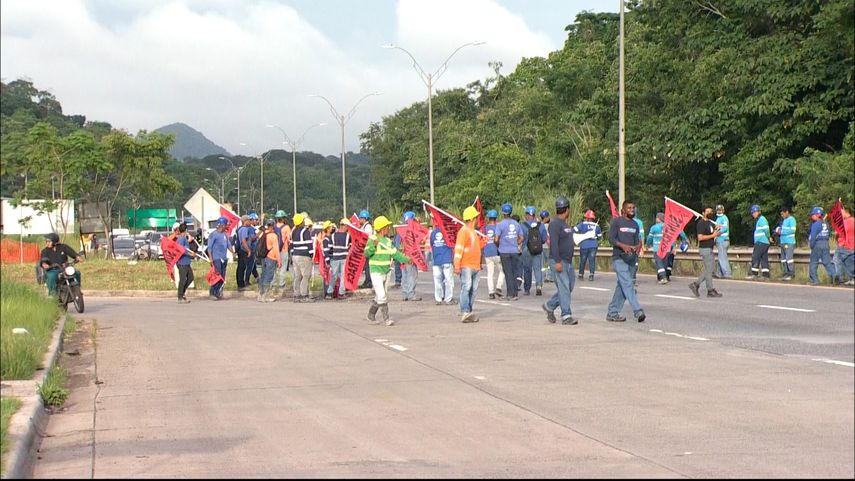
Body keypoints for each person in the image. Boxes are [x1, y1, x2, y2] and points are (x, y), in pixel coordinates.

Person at [364, 215, 411, 326]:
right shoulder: (372, 240)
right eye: (387, 226)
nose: (388, 228)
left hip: (386, 271)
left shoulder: (387, 241)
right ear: (381, 228)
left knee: (381, 295)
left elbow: (395, 253)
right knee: (382, 295)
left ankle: (371, 315)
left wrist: (407, 259)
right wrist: (373, 247)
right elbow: (366, 253)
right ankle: (386, 319)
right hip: (376, 271)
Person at [605, 200, 646, 323]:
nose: (632, 210)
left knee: (622, 286)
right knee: (628, 284)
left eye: (633, 207)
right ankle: (637, 311)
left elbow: (637, 240)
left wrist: (638, 246)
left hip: (631, 258)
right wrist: (622, 246)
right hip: (619, 257)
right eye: (629, 208)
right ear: (623, 210)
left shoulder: (635, 224)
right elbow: (611, 238)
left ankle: (612, 312)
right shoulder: (617, 222)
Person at [542, 195, 577, 325]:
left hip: (568, 261)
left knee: (568, 287)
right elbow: (554, 244)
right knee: (564, 288)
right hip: (559, 260)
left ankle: (550, 306)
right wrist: (557, 261)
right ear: (567, 209)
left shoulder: (564, 224)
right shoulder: (555, 224)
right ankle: (566, 315)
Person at [454, 206, 487, 323]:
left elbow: (475, 247)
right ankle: (465, 311)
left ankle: (469, 311)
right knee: (466, 287)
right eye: (476, 217)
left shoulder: (473, 232)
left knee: (473, 290)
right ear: (473, 218)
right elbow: (459, 249)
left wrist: (484, 242)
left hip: (475, 266)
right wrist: (457, 265)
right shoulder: (463, 232)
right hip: (466, 265)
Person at [688, 207, 723, 298]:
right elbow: (700, 237)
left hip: (710, 248)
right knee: (709, 269)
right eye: (707, 211)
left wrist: (717, 231)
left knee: (709, 269)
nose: (709, 213)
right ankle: (710, 290)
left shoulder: (710, 223)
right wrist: (713, 235)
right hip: (705, 248)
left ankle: (696, 284)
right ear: (703, 213)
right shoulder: (701, 223)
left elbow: (713, 234)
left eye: (711, 211)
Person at [495, 203, 523, 300]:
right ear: (511, 212)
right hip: (514, 250)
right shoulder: (516, 224)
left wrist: (499, 246)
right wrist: (516, 243)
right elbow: (521, 237)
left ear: (503, 213)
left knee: (508, 273)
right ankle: (515, 294)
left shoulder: (500, 224)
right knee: (515, 272)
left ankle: (510, 294)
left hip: (504, 251)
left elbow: (496, 239)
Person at [40, 233, 83, 297]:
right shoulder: (45, 251)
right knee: (51, 276)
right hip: (53, 270)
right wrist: (44, 264)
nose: (47, 243)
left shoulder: (63, 247)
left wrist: (77, 257)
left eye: (49, 241)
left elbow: (71, 252)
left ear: (54, 242)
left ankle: (77, 290)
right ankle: (53, 294)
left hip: (65, 268)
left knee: (77, 273)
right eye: (47, 242)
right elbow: (43, 260)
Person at [520, 206, 547, 296]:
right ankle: (538, 286)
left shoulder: (523, 225)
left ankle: (527, 289)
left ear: (527, 215)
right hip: (538, 249)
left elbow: (521, 238)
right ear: (534, 215)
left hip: (526, 249)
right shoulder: (541, 225)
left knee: (527, 269)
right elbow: (544, 238)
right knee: (537, 268)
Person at [206, 216, 233, 300]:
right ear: (222, 225)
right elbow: (209, 248)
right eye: (225, 225)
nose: (226, 226)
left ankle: (218, 292)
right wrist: (211, 258)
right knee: (217, 276)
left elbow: (228, 245)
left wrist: (233, 252)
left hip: (224, 258)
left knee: (222, 276)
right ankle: (212, 292)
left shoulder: (225, 234)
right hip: (216, 258)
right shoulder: (213, 234)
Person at [808, 207, 837, 285]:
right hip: (826, 243)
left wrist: (811, 245)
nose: (811, 216)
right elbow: (830, 233)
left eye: (813, 215)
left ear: (817, 215)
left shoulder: (816, 224)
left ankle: (815, 280)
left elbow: (813, 236)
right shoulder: (826, 223)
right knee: (827, 262)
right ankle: (834, 276)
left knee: (813, 262)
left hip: (817, 244)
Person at [430, 217, 455, 305]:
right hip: (447, 259)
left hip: (437, 259)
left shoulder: (433, 233)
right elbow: (453, 244)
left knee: (437, 281)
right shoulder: (448, 232)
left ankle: (438, 299)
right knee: (448, 280)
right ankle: (448, 299)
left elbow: (432, 244)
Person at [290, 212, 315, 302]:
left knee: (297, 276)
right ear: (301, 222)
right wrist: (312, 255)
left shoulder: (293, 232)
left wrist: (293, 255)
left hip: (295, 255)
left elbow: (291, 245)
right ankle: (304, 295)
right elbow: (309, 244)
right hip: (304, 256)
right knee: (306, 276)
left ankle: (297, 295)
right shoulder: (305, 231)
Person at [399, 211, 422, 301]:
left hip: (402, 257)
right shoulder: (411, 230)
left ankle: (405, 294)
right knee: (412, 275)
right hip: (410, 257)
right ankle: (411, 294)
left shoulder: (400, 230)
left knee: (404, 276)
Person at [257, 218, 282, 302]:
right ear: (273, 225)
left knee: (263, 275)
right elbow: (276, 249)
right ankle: (265, 296)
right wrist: (279, 261)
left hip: (263, 257)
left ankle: (260, 294)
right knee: (269, 276)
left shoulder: (263, 234)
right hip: (271, 258)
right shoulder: (273, 235)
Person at [574, 209, 602, 281]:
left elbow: (574, 230)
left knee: (583, 259)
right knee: (592, 260)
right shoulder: (597, 226)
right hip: (593, 245)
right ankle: (591, 275)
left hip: (584, 245)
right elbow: (599, 236)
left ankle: (581, 274)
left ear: (586, 217)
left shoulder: (583, 224)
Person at [482, 210, 504, 299]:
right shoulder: (498, 227)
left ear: (488, 218)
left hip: (487, 253)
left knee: (490, 274)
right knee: (503, 271)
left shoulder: (485, 229)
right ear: (496, 218)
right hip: (497, 252)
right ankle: (498, 287)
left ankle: (491, 292)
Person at [328, 218, 352, 299]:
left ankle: (329, 293)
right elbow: (351, 248)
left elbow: (330, 248)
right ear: (344, 226)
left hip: (335, 258)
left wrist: (330, 258)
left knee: (333, 276)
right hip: (344, 258)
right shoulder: (348, 236)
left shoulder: (333, 235)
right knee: (343, 276)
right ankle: (341, 293)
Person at [832, 204, 854, 285]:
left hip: (844, 245)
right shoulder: (853, 220)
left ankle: (839, 278)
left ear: (844, 211)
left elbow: (840, 233)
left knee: (837, 260)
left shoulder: (845, 222)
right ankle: (851, 278)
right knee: (849, 262)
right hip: (852, 245)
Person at [747, 204, 771, 281]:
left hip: (761, 242)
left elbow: (766, 230)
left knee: (755, 257)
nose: (753, 214)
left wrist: (768, 237)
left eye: (754, 212)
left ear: (759, 212)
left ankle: (754, 274)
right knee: (764, 259)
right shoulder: (759, 220)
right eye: (752, 212)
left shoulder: (762, 219)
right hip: (763, 242)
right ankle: (766, 275)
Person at [175, 222, 195, 303]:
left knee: (190, 278)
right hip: (181, 263)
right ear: (185, 230)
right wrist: (190, 254)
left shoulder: (184, 238)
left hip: (186, 262)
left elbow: (186, 249)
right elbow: (181, 250)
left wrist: (191, 254)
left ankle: (182, 293)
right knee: (183, 279)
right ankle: (180, 296)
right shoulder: (180, 239)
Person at [776, 207, 797, 281]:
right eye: (781, 214)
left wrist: (782, 232)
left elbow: (792, 230)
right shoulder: (784, 220)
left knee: (789, 259)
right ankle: (785, 273)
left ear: (787, 212)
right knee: (783, 259)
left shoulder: (792, 219)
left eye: (783, 214)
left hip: (789, 242)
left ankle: (791, 274)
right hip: (783, 242)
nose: (782, 215)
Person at [274, 210, 292, 294]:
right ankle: (281, 285)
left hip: (274, 251)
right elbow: (289, 239)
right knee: (283, 268)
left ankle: (273, 284)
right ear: (283, 219)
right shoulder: (286, 227)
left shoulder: (274, 227)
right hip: (283, 250)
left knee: (274, 269)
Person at [713, 204, 732, 279]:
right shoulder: (718, 219)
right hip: (720, 240)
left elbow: (724, 229)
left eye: (720, 210)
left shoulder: (724, 218)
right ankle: (719, 273)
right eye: (718, 209)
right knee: (721, 256)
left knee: (722, 257)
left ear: (723, 210)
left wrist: (716, 234)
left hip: (723, 240)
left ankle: (727, 273)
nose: (719, 211)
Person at [358, 209, 374, 289]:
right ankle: (367, 280)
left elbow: (366, 238)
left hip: (367, 249)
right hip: (365, 249)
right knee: (366, 266)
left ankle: (369, 281)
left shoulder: (368, 227)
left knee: (367, 266)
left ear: (364, 218)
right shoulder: (364, 227)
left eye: (360, 218)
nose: (359, 220)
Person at [540, 210, 554, 283]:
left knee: (542, 264)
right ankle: (550, 276)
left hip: (541, 246)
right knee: (550, 262)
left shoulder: (539, 225)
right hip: (549, 246)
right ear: (547, 217)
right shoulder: (551, 226)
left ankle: (543, 277)